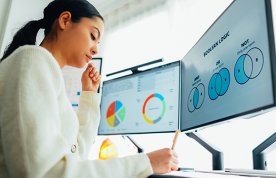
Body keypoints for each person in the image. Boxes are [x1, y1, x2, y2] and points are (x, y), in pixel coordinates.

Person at [0, 0, 179, 177]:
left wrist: (89, 94)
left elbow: (75, 154)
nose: (96, 50)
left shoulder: (48, 74)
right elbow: (45, 172)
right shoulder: (32, 60)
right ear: (64, 20)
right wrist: (145, 162)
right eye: (93, 36)